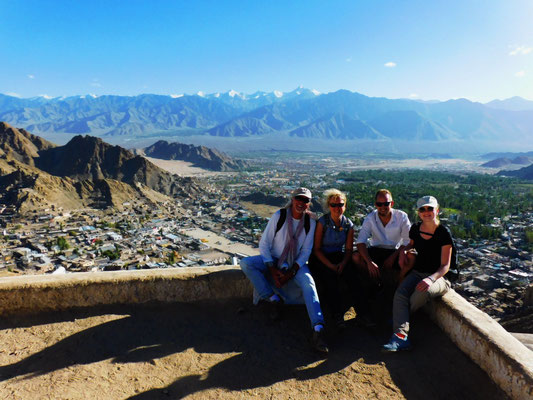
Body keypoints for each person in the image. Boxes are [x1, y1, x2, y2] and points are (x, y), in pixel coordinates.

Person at [240, 187, 328, 354]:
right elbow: (264, 244)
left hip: (295, 263)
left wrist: (292, 271)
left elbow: (306, 251)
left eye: (305, 200)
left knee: (309, 283)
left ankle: (318, 328)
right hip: (273, 260)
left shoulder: (310, 223)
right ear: (292, 199)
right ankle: (272, 298)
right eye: (298, 199)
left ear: (309, 204)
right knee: (246, 264)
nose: (301, 203)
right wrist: (272, 268)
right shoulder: (279, 216)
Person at [382, 195, 453, 352]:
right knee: (400, 293)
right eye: (423, 209)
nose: (426, 212)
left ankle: (399, 322)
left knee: (420, 293)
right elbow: (410, 246)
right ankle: (401, 337)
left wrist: (430, 279)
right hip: (418, 272)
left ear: (437, 210)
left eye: (430, 209)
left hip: (439, 277)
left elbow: (445, 265)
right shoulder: (415, 229)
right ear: (419, 212)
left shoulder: (443, 233)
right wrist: (403, 252)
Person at [309, 189, 354, 328]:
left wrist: (343, 263)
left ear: (345, 206)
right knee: (330, 279)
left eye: (340, 205)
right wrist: (331, 266)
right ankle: (337, 315)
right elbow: (316, 249)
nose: (337, 208)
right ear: (329, 206)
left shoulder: (348, 224)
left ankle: (364, 312)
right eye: (333, 205)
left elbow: (348, 250)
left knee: (354, 275)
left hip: (338, 256)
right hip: (321, 257)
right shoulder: (323, 222)